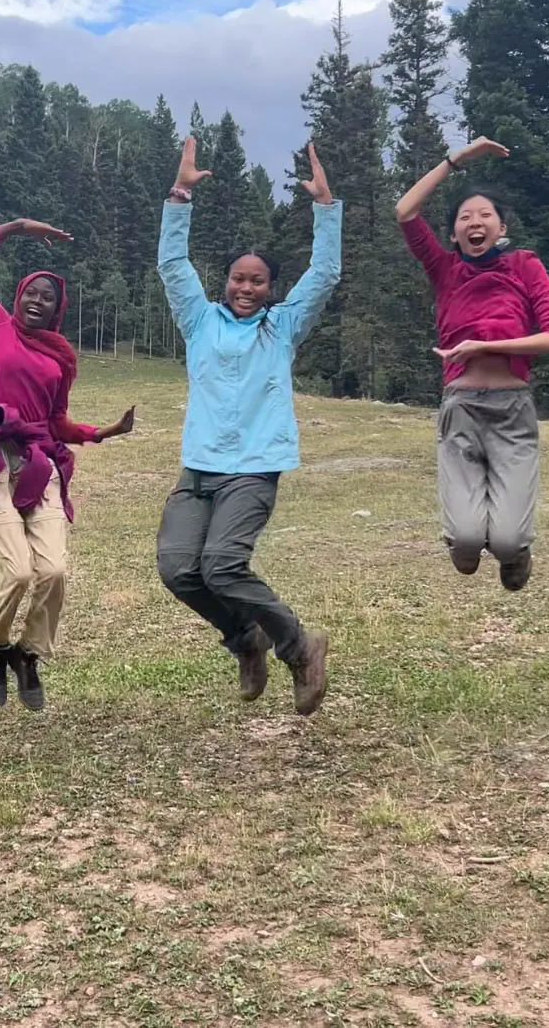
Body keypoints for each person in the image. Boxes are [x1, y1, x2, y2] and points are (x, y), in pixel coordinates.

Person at [154, 138, 340, 716]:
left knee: (222, 566)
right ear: (227, 280)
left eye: (257, 281)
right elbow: (172, 265)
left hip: (254, 468)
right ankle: (245, 638)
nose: (245, 287)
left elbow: (325, 273)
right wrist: (179, 195)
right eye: (238, 278)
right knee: (179, 570)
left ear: (270, 289)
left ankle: (300, 648)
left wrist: (325, 207)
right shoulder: (199, 320)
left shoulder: (282, 327)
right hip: (199, 468)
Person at [0, 218, 135, 711]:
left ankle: (28, 654)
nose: (37, 300)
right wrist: (17, 228)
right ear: (18, 295)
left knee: (54, 570)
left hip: (39, 464)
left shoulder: (59, 358)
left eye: (48, 297)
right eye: (31, 292)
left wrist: (101, 432)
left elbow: (57, 420)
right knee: (19, 571)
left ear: (56, 309)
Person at [393, 137, 549, 590]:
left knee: (508, 541)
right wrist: (455, 161)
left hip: (512, 410)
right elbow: (405, 211)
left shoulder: (524, 265)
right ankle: (468, 544)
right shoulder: (445, 269)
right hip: (462, 409)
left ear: (501, 226)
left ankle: (515, 553)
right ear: (453, 234)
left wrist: (486, 347)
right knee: (467, 542)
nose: (475, 222)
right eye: (464, 217)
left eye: (485, 215)